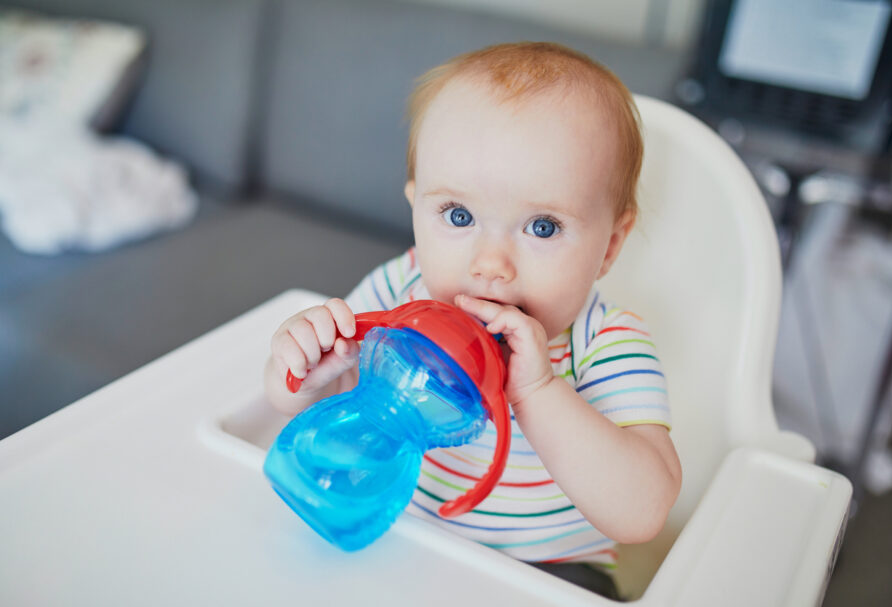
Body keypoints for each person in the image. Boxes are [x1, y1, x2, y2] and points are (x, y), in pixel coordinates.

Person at [264, 41, 681, 597]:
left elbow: (642, 513)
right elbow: (308, 402)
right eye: (458, 216)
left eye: (542, 227)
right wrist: (304, 367)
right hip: (394, 539)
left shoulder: (604, 342)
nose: (490, 266)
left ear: (610, 246)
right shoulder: (400, 290)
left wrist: (536, 389)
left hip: (545, 576)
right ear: (416, 209)